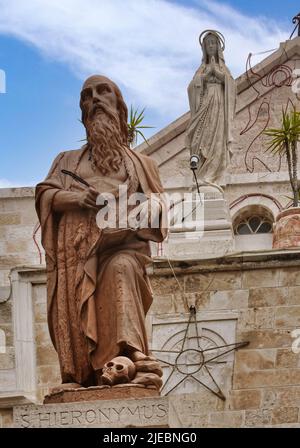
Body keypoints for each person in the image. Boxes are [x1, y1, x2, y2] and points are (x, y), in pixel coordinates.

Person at [35, 75, 167, 390]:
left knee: (121, 269)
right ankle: (78, 376)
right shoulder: (67, 161)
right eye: (86, 95)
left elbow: (158, 201)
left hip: (122, 246)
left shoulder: (143, 163)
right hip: (77, 250)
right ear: (82, 112)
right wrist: (77, 198)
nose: (93, 98)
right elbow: (44, 194)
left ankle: (133, 359)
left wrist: (140, 213)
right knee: (74, 299)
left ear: (119, 108)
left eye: (102, 91)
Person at [186, 30, 236, 184]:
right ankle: (201, 175)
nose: (211, 46)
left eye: (213, 43)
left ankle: (212, 176)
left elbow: (232, 86)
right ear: (204, 48)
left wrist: (217, 73)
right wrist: (205, 77)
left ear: (218, 47)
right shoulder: (201, 69)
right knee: (201, 140)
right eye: (208, 44)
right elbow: (191, 88)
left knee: (217, 141)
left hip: (219, 106)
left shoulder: (223, 69)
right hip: (204, 106)